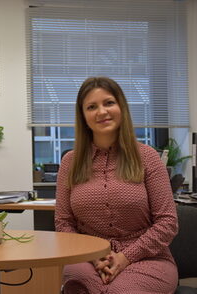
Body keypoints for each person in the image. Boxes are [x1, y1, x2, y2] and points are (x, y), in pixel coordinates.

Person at [55, 76, 178, 294]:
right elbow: (64, 223)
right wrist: (95, 256)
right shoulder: (70, 163)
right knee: (79, 286)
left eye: (109, 103)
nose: (101, 112)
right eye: (91, 107)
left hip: (147, 259)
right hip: (88, 260)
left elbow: (167, 222)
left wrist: (125, 257)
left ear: (121, 107)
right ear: (83, 116)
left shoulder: (147, 157)